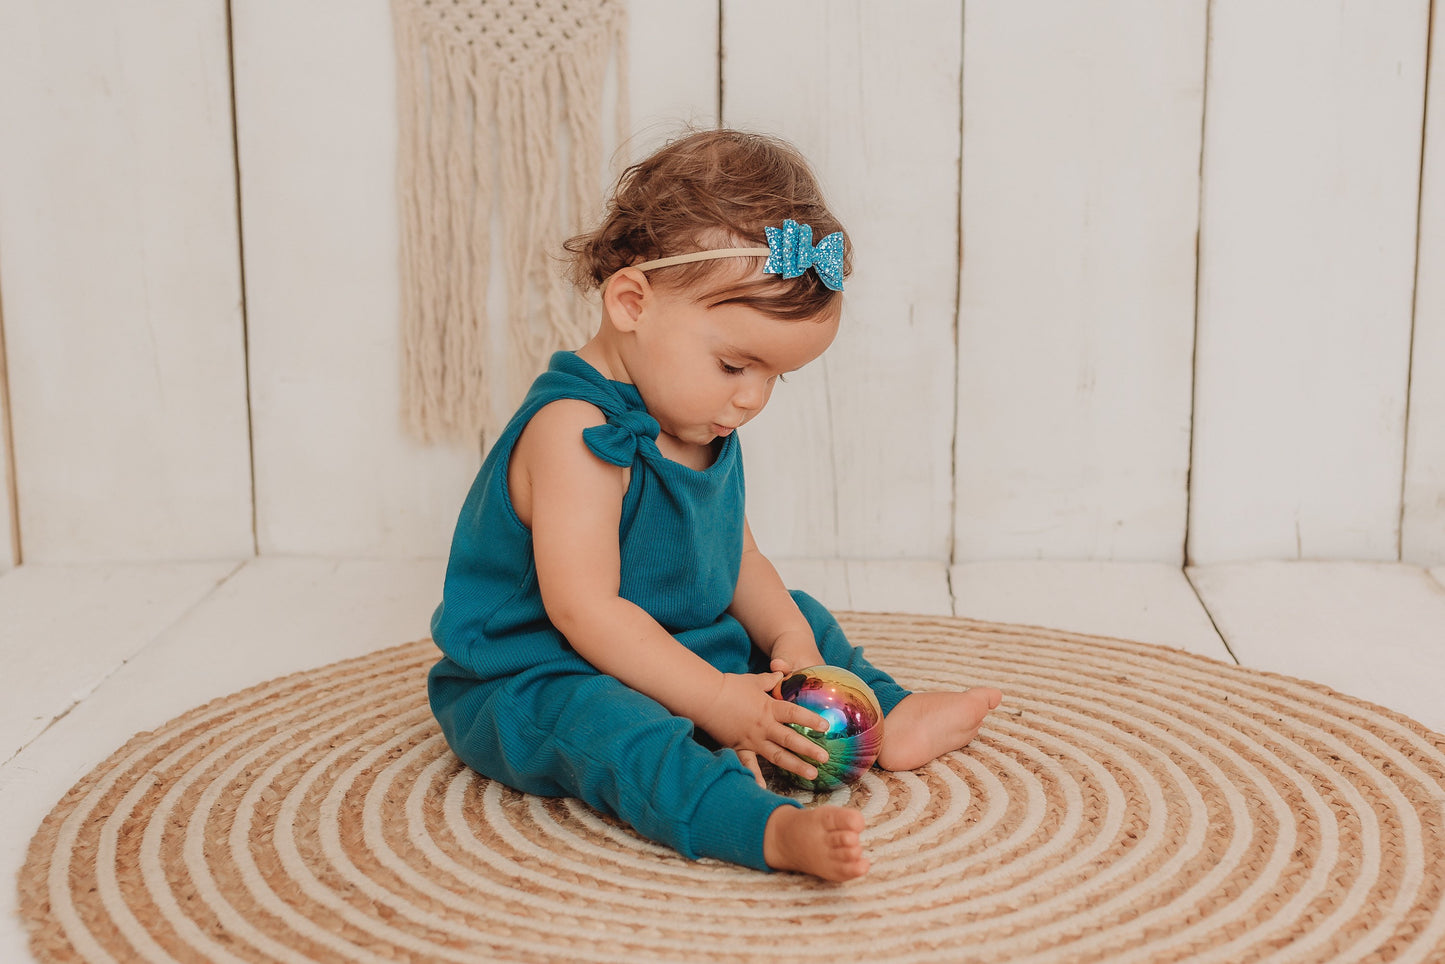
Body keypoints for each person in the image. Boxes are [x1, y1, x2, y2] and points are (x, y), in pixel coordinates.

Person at [428, 128, 1002, 882]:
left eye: (774, 378)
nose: (751, 398)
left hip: (667, 640)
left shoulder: (697, 415)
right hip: (537, 674)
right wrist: (719, 701)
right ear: (631, 301)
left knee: (793, 611)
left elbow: (735, 557)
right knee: (616, 728)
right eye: (734, 364)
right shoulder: (574, 430)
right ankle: (756, 827)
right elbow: (585, 612)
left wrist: (792, 642)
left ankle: (881, 714)